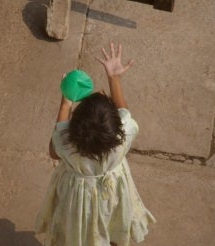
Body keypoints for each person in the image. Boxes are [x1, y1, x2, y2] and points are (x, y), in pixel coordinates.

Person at [35, 43, 156, 246]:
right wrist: (113, 77)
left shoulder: (68, 146)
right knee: (112, 221)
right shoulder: (122, 139)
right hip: (113, 193)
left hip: (78, 201)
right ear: (115, 127)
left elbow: (54, 150)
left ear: (73, 127)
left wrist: (66, 103)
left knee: (79, 232)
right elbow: (124, 111)